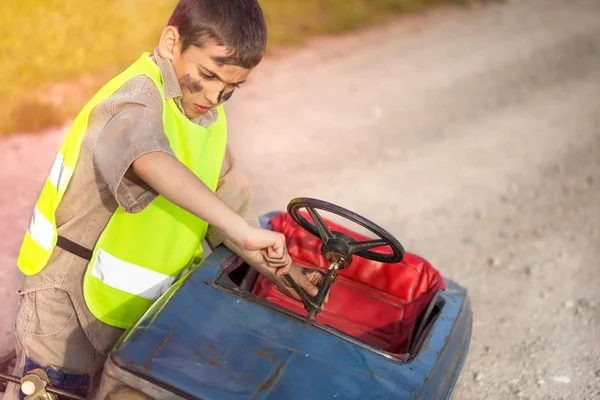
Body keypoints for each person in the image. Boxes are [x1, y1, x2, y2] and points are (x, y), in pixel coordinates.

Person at [4, 1, 326, 398]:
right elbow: (148, 158)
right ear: (171, 41)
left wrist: (282, 271)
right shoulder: (136, 97)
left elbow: (230, 210)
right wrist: (239, 228)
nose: (215, 95)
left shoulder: (207, 116)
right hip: (67, 308)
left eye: (231, 87)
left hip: (139, 315)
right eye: (207, 75)